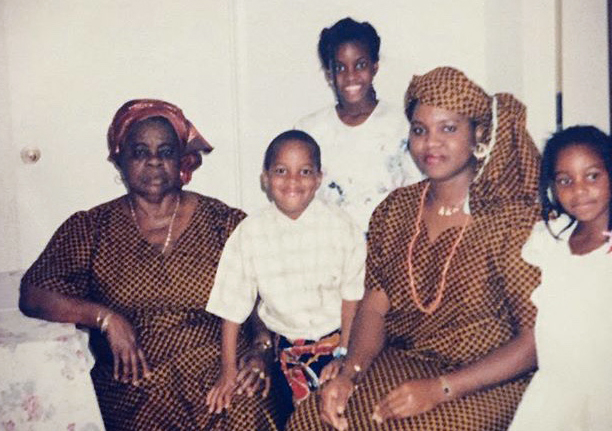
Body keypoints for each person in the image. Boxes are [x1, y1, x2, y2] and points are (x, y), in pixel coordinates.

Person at [287, 66, 542, 431]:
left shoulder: (511, 219)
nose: (430, 143)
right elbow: (375, 306)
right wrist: (350, 374)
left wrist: (441, 389)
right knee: (313, 419)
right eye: (420, 130)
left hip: (488, 378)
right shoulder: (395, 211)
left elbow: (535, 340)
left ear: (479, 135)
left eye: (448, 128)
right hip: (403, 362)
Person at [18, 99, 279, 431]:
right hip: (136, 378)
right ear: (120, 160)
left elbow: (265, 294)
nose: (154, 161)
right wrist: (105, 318)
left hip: (221, 365)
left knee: (244, 408)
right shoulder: (91, 227)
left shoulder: (224, 223)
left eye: (166, 151)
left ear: (182, 159)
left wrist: (261, 350)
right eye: (140, 152)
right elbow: (34, 292)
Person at [508, 125, 612, 431]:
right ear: (553, 188)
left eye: (592, 176)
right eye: (565, 180)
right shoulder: (552, 242)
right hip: (552, 398)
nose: (579, 189)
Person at [205, 130, 366, 424]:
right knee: (285, 416)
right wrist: (227, 371)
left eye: (304, 172)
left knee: (347, 412)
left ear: (318, 178)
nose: (293, 181)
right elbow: (232, 306)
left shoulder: (342, 227)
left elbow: (352, 297)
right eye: (281, 171)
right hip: (284, 352)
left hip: (339, 343)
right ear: (265, 178)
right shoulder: (249, 233)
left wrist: (345, 355)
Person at [295, 17, 422, 233]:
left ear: (375, 66)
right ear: (329, 75)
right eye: (340, 67)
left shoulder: (404, 125)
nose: (351, 76)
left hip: (390, 253)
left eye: (360, 65)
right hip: (330, 253)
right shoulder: (309, 132)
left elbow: (420, 197)